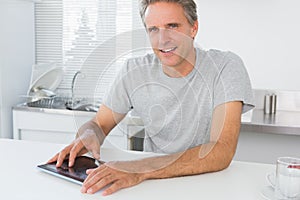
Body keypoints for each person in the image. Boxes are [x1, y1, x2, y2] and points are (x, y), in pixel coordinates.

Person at [48, 0, 254, 196]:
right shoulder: (134, 70)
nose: (162, 39)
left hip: (206, 184)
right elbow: (99, 124)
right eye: (153, 29)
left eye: (172, 26)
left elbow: (221, 150)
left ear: (194, 28)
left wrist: (138, 169)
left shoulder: (225, 67)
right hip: (150, 186)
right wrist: (89, 135)